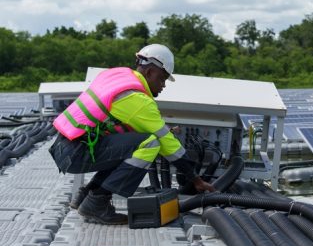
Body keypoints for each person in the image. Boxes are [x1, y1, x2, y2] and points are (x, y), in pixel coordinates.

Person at [49, 44, 215, 225]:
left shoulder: (116, 75)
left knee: (131, 145)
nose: (163, 85)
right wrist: (196, 179)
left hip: (64, 145)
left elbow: (127, 124)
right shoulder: (136, 98)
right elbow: (168, 145)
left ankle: (87, 194)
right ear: (150, 72)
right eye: (162, 79)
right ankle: (97, 202)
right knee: (150, 143)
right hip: (75, 153)